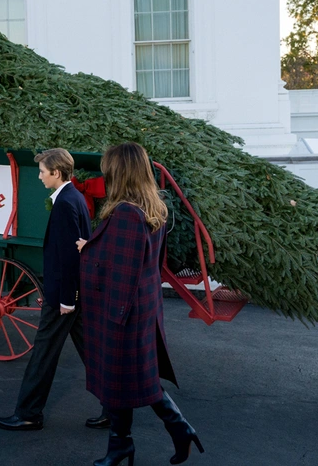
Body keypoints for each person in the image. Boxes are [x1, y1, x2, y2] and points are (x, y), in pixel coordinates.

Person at [77, 142, 204, 466]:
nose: (104, 175)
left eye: (108, 169)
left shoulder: (125, 214)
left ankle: (146, 439)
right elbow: (146, 263)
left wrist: (87, 250)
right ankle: (138, 441)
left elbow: (121, 270)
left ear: (119, 173)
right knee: (130, 379)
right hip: (142, 307)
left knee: (124, 379)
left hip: (123, 311)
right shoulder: (151, 209)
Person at [0, 148, 102, 431]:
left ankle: (29, 413)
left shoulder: (66, 203)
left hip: (63, 297)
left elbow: (69, 256)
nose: (40, 176)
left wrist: (67, 299)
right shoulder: (74, 198)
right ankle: (116, 407)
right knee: (91, 351)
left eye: (43, 171)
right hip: (71, 294)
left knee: (43, 352)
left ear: (56, 173)